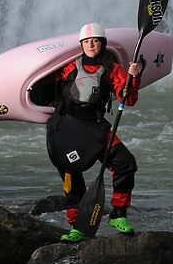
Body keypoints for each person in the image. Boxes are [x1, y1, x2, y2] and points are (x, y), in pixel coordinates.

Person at [46, 23, 144, 243]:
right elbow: (40, 85)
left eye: (95, 41)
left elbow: (128, 99)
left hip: (94, 127)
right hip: (66, 127)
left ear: (103, 44)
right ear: (81, 45)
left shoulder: (112, 69)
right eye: (87, 42)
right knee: (70, 174)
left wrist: (134, 77)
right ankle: (76, 226)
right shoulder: (68, 66)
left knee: (125, 163)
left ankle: (118, 215)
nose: (91, 45)